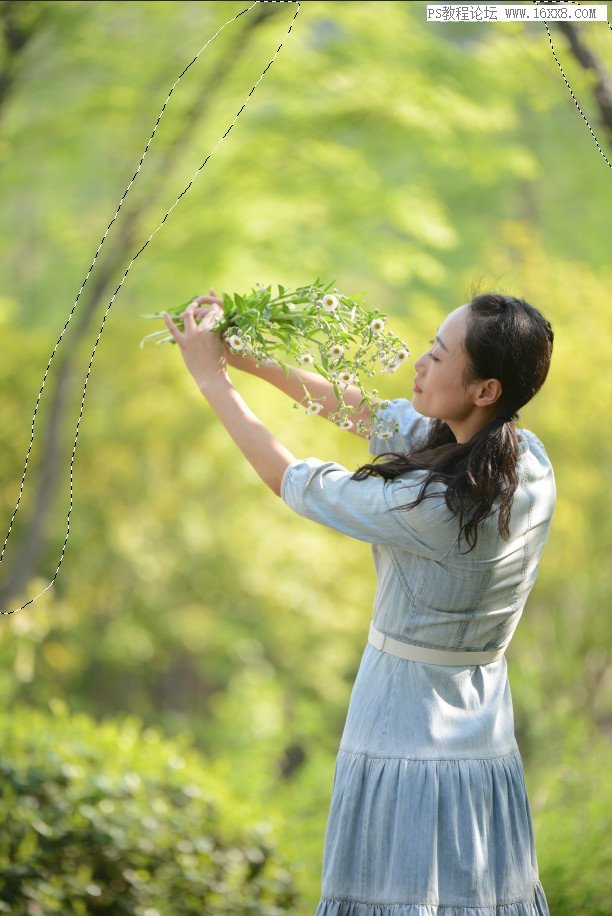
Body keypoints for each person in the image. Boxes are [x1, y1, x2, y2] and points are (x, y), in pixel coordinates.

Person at [162, 287, 555, 915]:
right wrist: (245, 357)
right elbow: (372, 416)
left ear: (485, 390)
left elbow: (295, 481)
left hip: (406, 724)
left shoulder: (437, 508)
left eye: (438, 355)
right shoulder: (527, 463)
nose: (420, 365)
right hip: (481, 729)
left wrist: (211, 379)